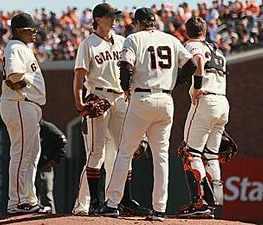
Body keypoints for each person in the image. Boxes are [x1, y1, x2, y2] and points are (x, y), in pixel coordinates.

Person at [98, 7, 197, 221]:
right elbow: (192, 65)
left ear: (138, 23)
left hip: (142, 98)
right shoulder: (171, 39)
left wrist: (125, 87)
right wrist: (175, 83)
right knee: (161, 157)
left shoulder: (134, 39)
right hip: (166, 99)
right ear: (154, 21)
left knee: (124, 152)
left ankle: (112, 203)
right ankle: (160, 209)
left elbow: (125, 66)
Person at [72, 3, 149, 216]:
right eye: (109, 16)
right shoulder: (88, 43)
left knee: (125, 150)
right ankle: (94, 203)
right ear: (97, 19)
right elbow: (79, 76)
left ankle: (125, 200)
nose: (113, 19)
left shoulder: (123, 41)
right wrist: (79, 102)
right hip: (98, 95)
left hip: (120, 98)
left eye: (114, 15)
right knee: (96, 152)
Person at [176, 16, 230, 219]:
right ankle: (214, 202)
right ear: (205, 31)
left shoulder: (192, 45)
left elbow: (197, 60)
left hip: (205, 100)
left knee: (190, 153)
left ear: (187, 32)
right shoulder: (217, 49)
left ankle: (199, 203)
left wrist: (197, 86)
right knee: (211, 155)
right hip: (222, 102)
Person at [0, 12, 48, 214]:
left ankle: (28, 198)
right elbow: (12, 76)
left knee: (31, 154)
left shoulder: (22, 47)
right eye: (31, 28)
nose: (35, 31)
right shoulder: (16, 47)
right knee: (21, 154)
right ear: (20, 30)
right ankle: (17, 202)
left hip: (27, 104)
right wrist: (26, 83)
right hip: (20, 102)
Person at [35, 119, 67, 214]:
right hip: (32, 166)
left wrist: (55, 159)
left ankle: (50, 218)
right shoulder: (31, 128)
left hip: (44, 166)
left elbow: (63, 141)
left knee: (46, 193)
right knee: (32, 196)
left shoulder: (47, 127)